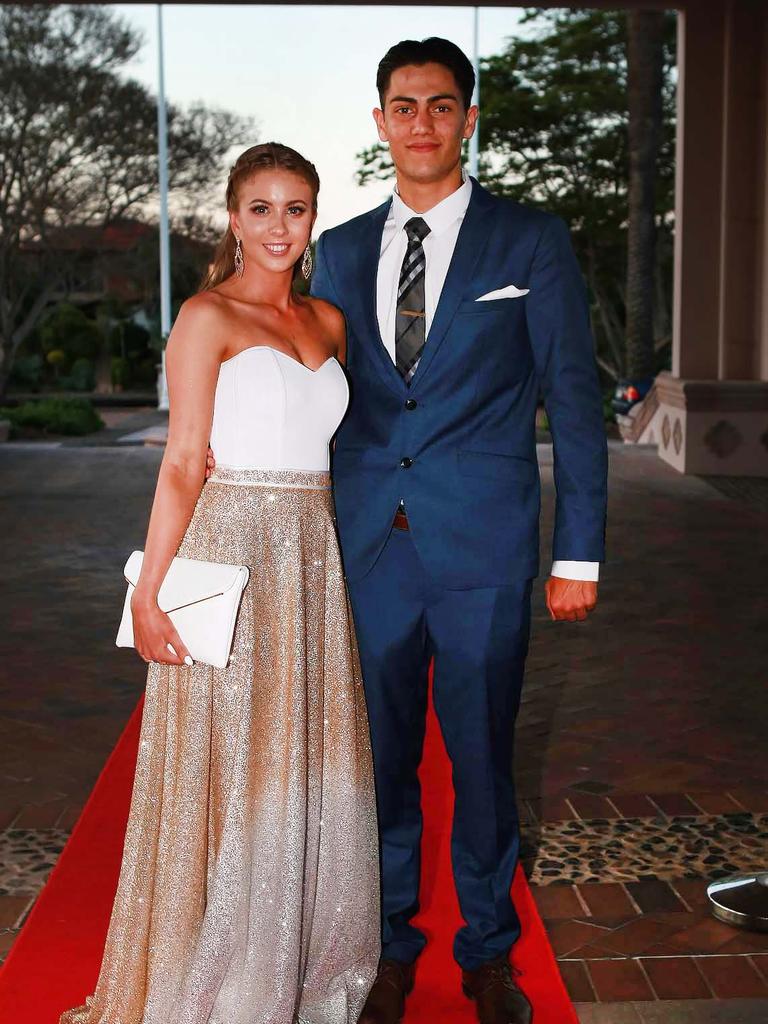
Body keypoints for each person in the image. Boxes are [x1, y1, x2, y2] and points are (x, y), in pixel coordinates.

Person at [309, 37, 608, 1024]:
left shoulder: (530, 241)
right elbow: (318, 395)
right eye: (404, 105)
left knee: (481, 756)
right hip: (369, 550)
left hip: (484, 546)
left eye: (443, 105)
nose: (423, 122)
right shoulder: (342, 249)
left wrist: (578, 550)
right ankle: (392, 946)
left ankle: (487, 952)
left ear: (469, 119)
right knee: (380, 760)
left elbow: (572, 399)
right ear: (381, 120)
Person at [60, 143, 380, 1024]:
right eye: (263, 208)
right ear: (234, 218)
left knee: (302, 762)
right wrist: (148, 588)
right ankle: (222, 981)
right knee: (232, 764)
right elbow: (181, 462)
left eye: (298, 208)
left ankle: (298, 967)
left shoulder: (330, 323)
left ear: (314, 219)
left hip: (312, 560)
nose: (281, 226)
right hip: (232, 545)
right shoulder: (206, 316)